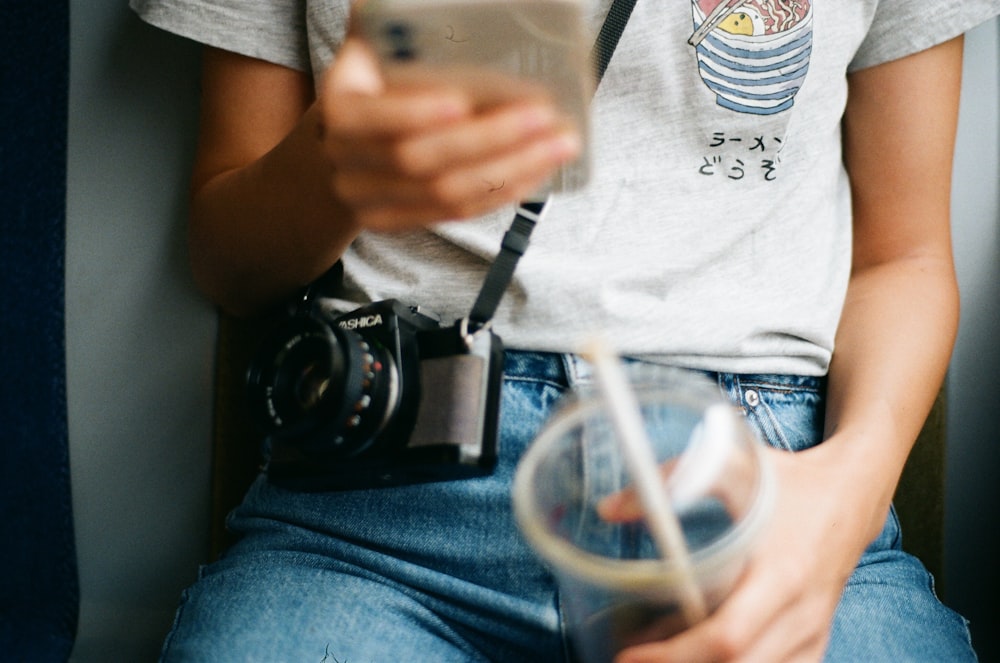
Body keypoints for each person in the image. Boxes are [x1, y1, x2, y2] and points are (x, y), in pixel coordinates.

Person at [131, 0, 999, 661]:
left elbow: (906, 257)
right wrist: (336, 162)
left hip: (761, 490)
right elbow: (229, 266)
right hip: (382, 509)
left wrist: (844, 496)